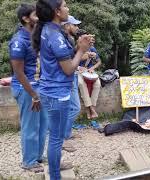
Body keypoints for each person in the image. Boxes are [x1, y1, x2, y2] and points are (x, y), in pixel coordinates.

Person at [32, 0, 92, 179]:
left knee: (55, 137)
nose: (68, 9)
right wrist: (81, 51)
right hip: (57, 93)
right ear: (57, 12)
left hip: (51, 90)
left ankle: (55, 172)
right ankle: (55, 176)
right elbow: (67, 69)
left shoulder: (50, 30)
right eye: (65, 6)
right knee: (56, 139)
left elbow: (61, 59)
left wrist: (79, 46)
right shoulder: (55, 35)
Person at [9, 3, 48, 173]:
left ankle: (38, 156)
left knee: (42, 124)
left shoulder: (35, 37)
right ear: (26, 18)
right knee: (30, 126)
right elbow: (18, 72)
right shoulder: (18, 41)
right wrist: (34, 95)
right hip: (26, 89)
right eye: (36, 15)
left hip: (38, 87)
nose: (39, 17)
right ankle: (29, 161)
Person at [61, 15, 82, 152]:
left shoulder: (70, 38)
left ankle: (66, 134)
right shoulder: (61, 39)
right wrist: (80, 51)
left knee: (71, 107)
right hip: (67, 77)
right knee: (75, 107)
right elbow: (67, 62)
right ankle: (62, 136)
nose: (77, 27)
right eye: (74, 25)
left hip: (72, 75)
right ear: (67, 26)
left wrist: (80, 49)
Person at [78, 37, 102, 119]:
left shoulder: (92, 49)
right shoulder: (78, 48)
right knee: (81, 83)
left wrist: (92, 68)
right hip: (79, 71)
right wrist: (78, 67)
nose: (91, 44)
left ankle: (92, 108)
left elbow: (99, 62)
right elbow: (71, 61)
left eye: (92, 43)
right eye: (90, 42)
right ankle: (90, 109)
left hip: (90, 71)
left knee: (98, 84)